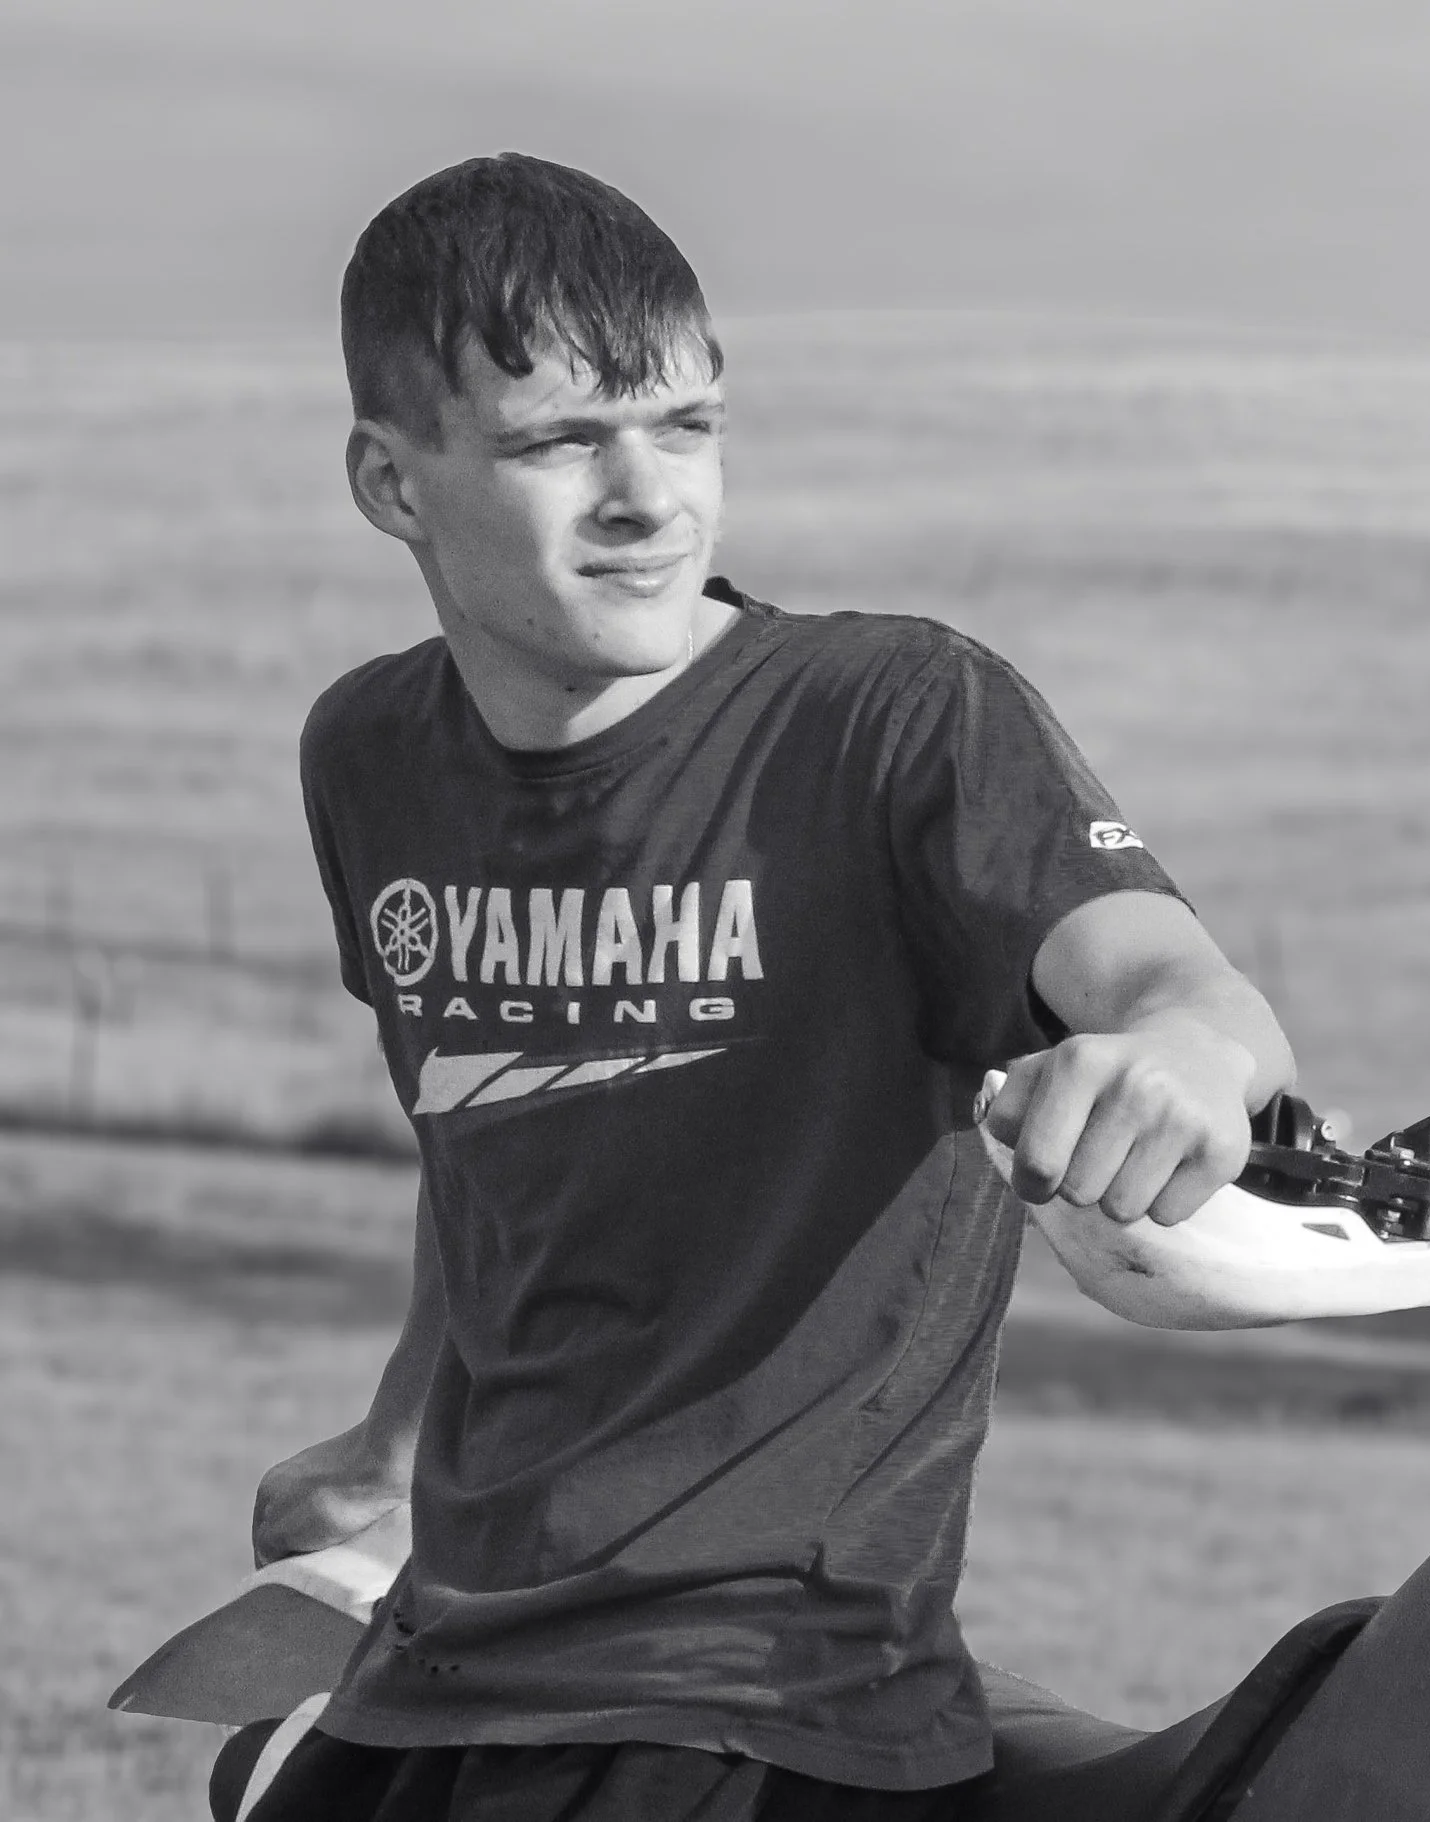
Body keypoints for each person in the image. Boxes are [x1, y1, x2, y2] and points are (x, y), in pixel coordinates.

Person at [236, 151, 1293, 1822]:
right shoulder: (367, 755)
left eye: (688, 425)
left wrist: (1181, 1053)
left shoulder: (890, 722)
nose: (649, 496)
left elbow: (1179, 982)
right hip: (446, 1652)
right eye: (561, 440)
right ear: (392, 481)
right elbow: (495, 1159)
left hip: (759, 1695)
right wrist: (384, 1447)